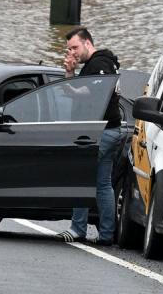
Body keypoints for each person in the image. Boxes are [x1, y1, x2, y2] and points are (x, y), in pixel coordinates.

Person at [56, 27, 122, 245]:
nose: (72, 51)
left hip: (102, 132)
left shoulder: (99, 63)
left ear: (87, 43)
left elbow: (95, 91)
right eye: (69, 49)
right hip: (106, 130)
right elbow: (74, 93)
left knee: (81, 176)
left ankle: (78, 229)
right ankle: (106, 235)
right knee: (103, 184)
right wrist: (69, 74)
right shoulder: (93, 66)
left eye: (75, 47)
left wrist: (75, 86)